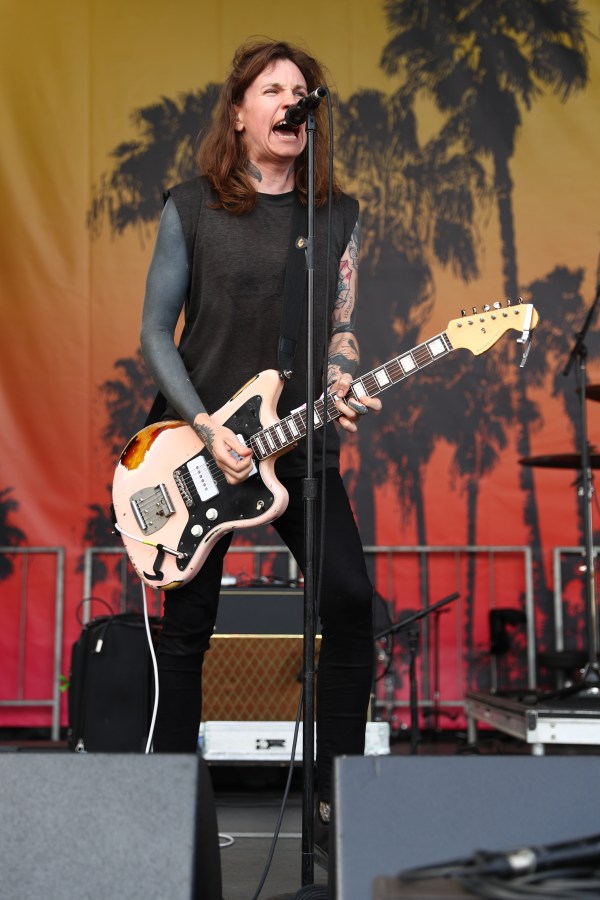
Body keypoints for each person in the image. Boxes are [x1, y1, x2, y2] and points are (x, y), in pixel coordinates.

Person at [140, 38, 381, 864]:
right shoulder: (192, 206)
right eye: (273, 88)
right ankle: (172, 809)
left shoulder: (337, 215)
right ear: (240, 112)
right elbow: (154, 335)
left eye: (303, 89)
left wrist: (344, 378)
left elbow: (341, 326)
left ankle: (336, 800)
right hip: (195, 449)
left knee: (350, 601)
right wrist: (206, 424)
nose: (292, 100)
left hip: (297, 442)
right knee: (188, 625)